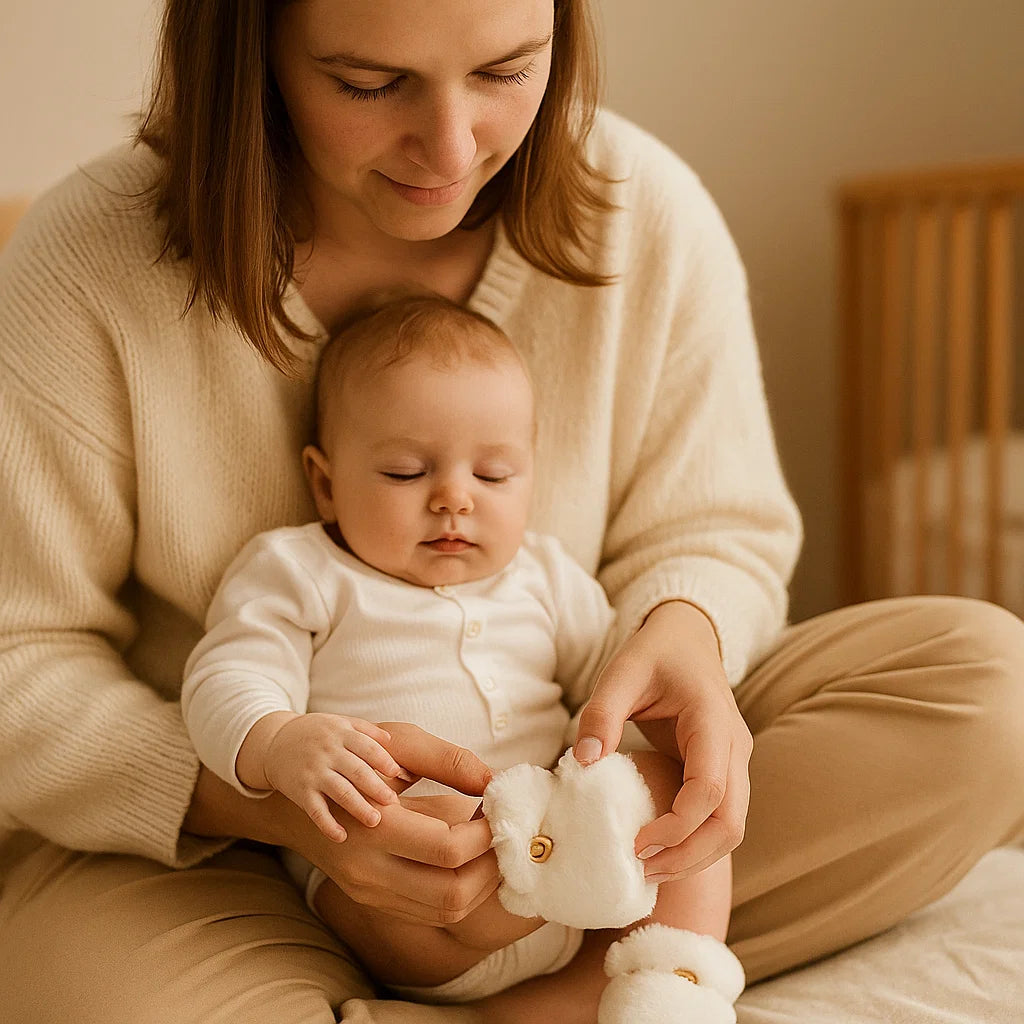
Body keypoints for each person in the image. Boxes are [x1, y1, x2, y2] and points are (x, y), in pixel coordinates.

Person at [1, 0, 1022, 1021]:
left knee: (987, 693)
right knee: (101, 992)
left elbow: (714, 530)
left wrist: (682, 641)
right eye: (368, 83)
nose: (452, 148)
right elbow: (19, 656)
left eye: (506, 71)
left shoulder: (645, 214)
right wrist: (286, 803)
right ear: (248, 47)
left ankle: (583, 989)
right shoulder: (88, 263)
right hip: (225, 850)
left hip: (569, 837)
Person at [180, 292, 735, 1004]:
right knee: (430, 821)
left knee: (678, 782)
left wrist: (628, 758)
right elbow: (225, 678)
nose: (454, 499)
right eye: (405, 472)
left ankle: (676, 980)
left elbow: (617, 679)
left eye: (493, 475)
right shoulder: (301, 571)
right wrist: (277, 740)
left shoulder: (544, 577)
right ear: (325, 483)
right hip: (400, 900)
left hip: (571, 885)